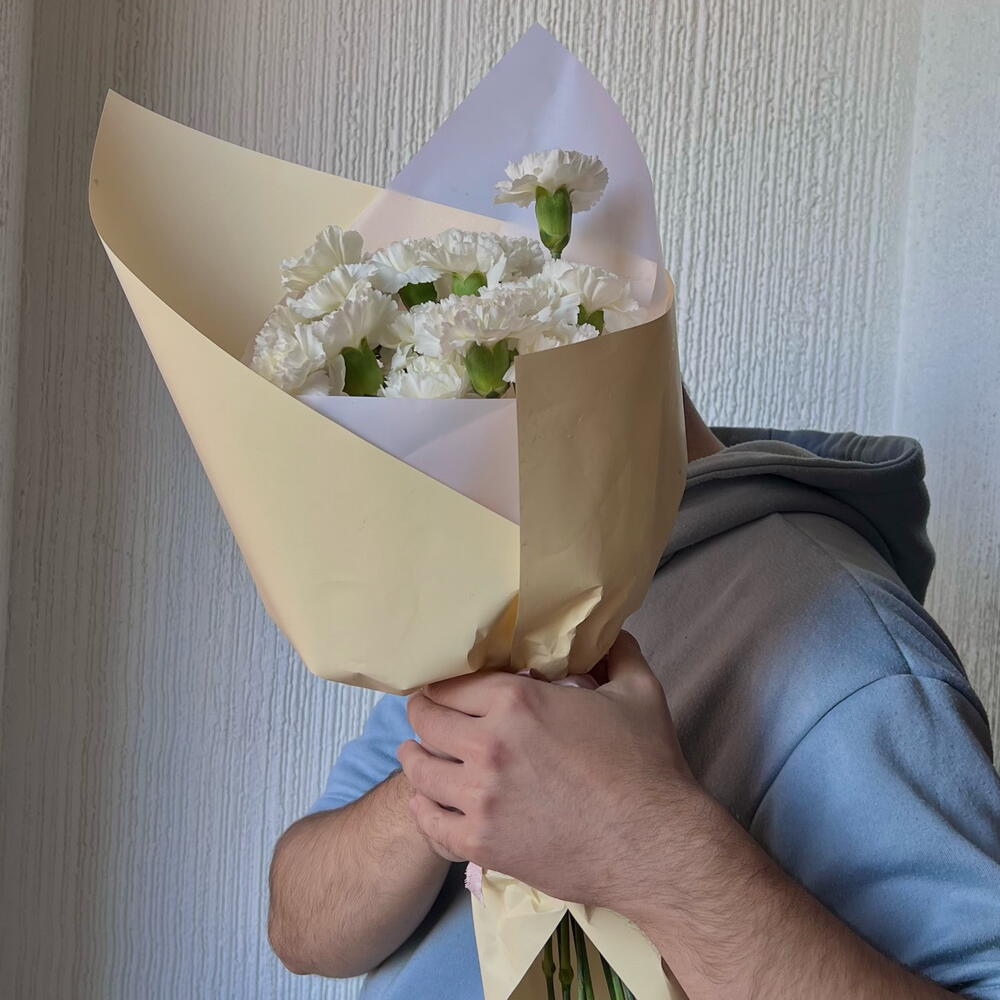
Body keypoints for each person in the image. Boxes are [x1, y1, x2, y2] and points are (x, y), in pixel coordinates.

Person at [267, 390, 1000, 999]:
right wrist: (448, 783)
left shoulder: (863, 658)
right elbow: (299, 930)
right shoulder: (502, 581)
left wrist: (644, 841)